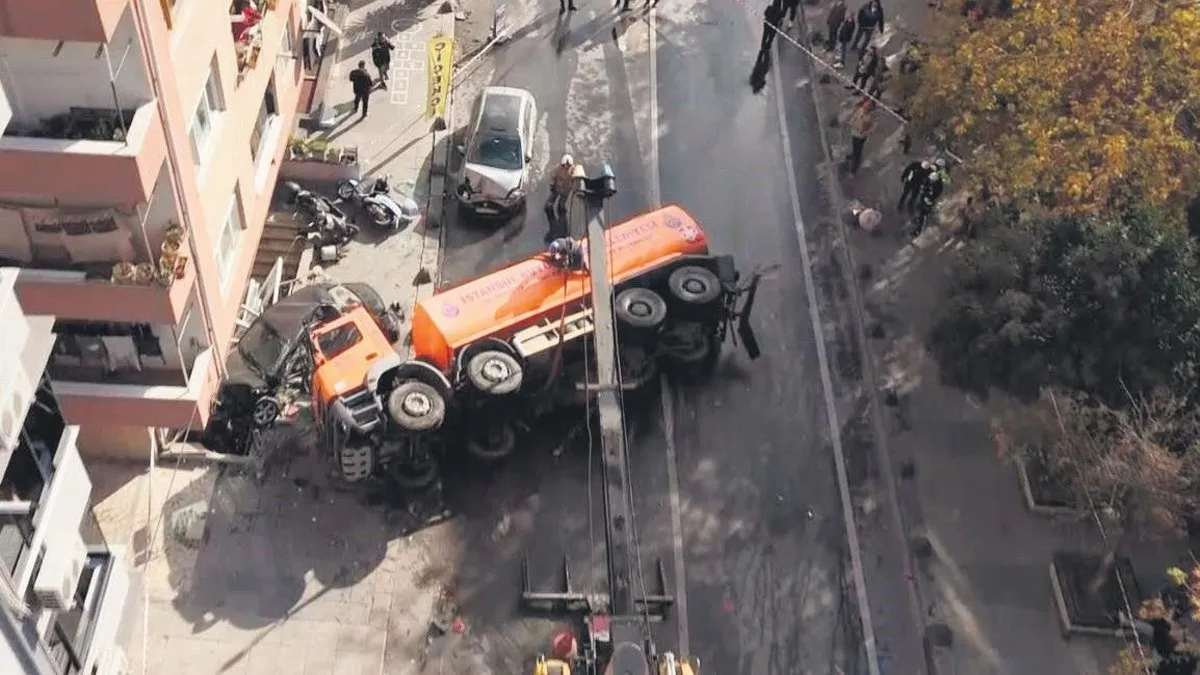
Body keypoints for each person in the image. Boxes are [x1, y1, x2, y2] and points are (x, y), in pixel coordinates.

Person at [545, 154, 576, 241]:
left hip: (565, 190)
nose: (566, 167)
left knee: (561, 206)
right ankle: (552, 220)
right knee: (548, 205)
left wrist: (575, 184)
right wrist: (552, 184)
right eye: (565, 165)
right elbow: (553, 176)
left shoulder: (573, 170)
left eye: (568, 165)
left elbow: (577, 176)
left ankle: (561, 217)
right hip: (557, 188)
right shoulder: (558, 169)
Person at [846, 99, 875, 175]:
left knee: (858, 151)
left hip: (860, 136)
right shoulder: (860, 110)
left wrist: (855, 125)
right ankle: (853, 154)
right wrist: (852, 122)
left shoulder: (868, 118)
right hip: (855, 133)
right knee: (854, 146)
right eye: (865, 104)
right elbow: (854, 117)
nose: (864, 105)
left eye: (867, 105)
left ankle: (854, 168)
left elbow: (863, 129)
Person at [913, 168, 945, 234]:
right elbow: (925, 185)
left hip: (929, 201)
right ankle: (918, 219)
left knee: (923, 214)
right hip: (925, 198)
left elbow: (935, 194)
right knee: (920, 209)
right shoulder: (930, 179)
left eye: (931, 180)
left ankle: (919, 229)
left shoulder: (938, 186)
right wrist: (923, 191)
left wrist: (929, 198)